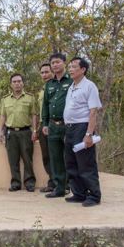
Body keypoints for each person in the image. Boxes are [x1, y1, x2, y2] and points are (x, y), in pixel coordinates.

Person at [63, 57, 102, 207]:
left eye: (74, 67)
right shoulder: (71, 86)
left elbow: (93, 112)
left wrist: (88, 134)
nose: (70, 69)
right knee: (71, 163)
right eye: (70, 67)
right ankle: (79, 193)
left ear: (83, 69)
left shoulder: (89, 86)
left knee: (86, 163)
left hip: (82, 128)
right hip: (70, 129)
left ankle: (94, 195)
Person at [0, 73, 39, 192]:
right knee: (13, 159)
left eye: (19, 81)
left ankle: (29, 182)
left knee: (27, 159)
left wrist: (35, 130)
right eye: (14, 82)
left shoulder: (30, 98)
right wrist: (0, 131)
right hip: (11, 133)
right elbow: (2, 116)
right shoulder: (5, 99)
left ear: (23, 83)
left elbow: (34, 115)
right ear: (11, 84)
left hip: (26, 132)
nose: (17, 84)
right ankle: (15, 183)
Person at [41, 52, 73, 198]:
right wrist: (46, 123)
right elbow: (45, 105)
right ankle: (59, 188)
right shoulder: (49, 84)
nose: (55, 65)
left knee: (70, 156)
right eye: (53, 63)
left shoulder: (72, 81)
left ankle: (73, 186)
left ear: (64, 63)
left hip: (68, 125)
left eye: (58, 62)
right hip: (53, 125)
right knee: (55, 158)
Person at [37, 63, 55, 193]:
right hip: (43, 125)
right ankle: (52, 182)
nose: (44, 75)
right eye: (42, 73)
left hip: (55, 124)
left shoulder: (58, 87)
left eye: (47, 72)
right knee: (46, 156)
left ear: (52, 72)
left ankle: (64, 184)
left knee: (58, 155)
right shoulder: (42, 91)